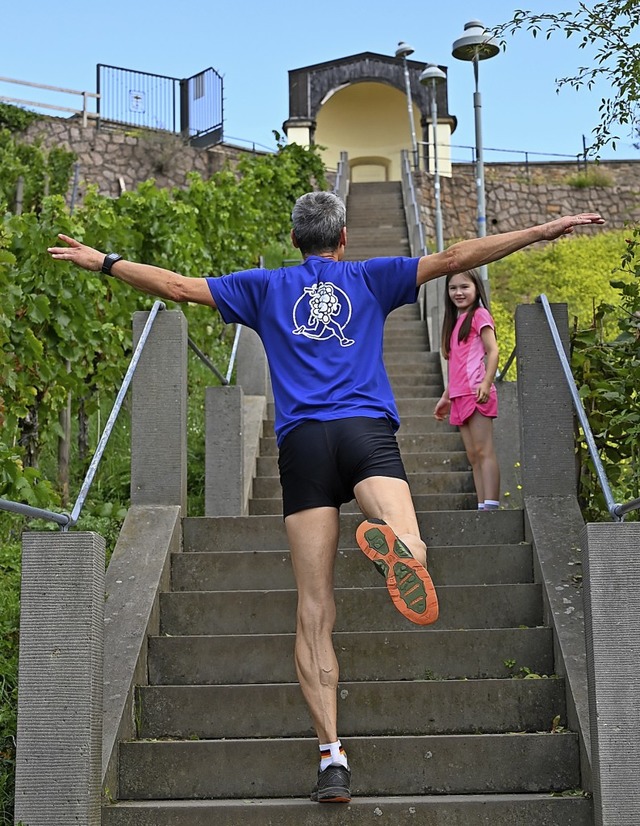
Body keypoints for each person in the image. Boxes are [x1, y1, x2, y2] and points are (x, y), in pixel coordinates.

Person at [47, 192, 604, 804]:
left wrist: (103, 261)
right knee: (407, 532)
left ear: (295, 241)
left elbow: (177, 287)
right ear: (343, 240)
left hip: (303, 446)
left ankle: (331, 758)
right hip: (365, 434)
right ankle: (400, 545)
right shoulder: (369, 276)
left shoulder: (263, 287)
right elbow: (457, 257)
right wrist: (545, 229)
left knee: (314, 611)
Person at [434, 269, 500, 510]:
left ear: (476, 289)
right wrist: (446, 397)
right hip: (459, 395)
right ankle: (482, 505)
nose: (459, 292)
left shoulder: (480, 315)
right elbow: (455, 364)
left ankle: (492, 505)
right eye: (453, 288)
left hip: (477, 392)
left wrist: (486, 382)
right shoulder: (454, 323)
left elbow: (493, 350)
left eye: (465, 287)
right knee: (473, 455)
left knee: (484, 450)